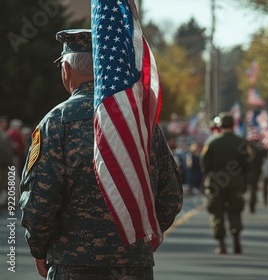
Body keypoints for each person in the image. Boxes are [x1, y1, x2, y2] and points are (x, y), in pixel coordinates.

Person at [18, 29, 183, 279]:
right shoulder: (141, 122)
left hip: (73, 264)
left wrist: (39, 249)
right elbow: (171, 197)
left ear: (67, 70)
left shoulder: (57, 122)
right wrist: (140, 240)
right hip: (133, 265)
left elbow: (40, 200)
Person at [200, 113, 251, 254]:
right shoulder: (241, 142)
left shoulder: (212, 142)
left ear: (220, 126)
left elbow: (204, 163)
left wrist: (209, 176)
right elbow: (247, 164)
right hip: (235, 181)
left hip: (216, 181)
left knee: (217, 212)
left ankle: (221, 244)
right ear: (233, 125)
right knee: (235, 210)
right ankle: (236, 237)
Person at [246, 140, 266, 213]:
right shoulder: (259, 151)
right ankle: (252, 206)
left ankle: (250, 205)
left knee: (246, 191)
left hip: (246, 174)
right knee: (253, 191)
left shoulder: (244, 151)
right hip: (254, 174)